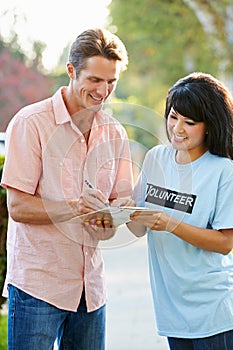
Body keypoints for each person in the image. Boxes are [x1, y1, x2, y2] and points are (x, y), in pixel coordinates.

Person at [1, 28, 133, 350]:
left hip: (91, 290)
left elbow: (118, 210)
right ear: (71, 70)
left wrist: (110, 221)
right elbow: (18, 208)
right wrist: (76, 207)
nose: (103, 91)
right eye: (95, 80)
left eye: (111, 82)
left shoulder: (114, 133)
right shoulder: (31, 123)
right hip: (38, 287)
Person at [127, 72, 233, 350]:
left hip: (213, 312)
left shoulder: (223, 170)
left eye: (190, 122)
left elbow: (225, 243)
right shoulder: (155, 158)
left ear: (209, 126)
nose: (178, 129)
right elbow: (138, 227)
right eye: (173, 117)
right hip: (172, 310)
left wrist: (171, 224)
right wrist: (120, 211)